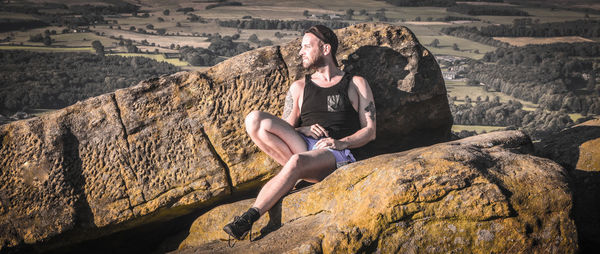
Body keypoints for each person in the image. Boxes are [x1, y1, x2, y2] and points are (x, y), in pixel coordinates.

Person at [222, 25, 376, 241]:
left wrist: (341, 142)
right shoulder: (299, 87)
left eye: (306, 46)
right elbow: (283, 130)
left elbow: (370, 131)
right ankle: (296, 175)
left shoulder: (355, 84)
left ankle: (249, 217)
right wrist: (302, 129)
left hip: (334, 153)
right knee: (254, 119)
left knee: (296, 162)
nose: (300, 52)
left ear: (325, 49)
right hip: (303, 145)